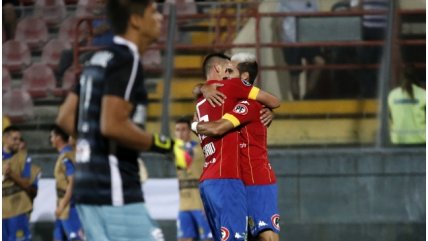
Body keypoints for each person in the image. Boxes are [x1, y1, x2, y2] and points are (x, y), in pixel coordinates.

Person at [55, 0, 177, 240]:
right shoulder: (127, 59)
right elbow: (113, 125)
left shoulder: (97, 58)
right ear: (135, 20)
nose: (161, 17)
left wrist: (92, 145)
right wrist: (166, 145)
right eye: (153, 11)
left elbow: (65, 116)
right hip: (115, 191)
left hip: (87, 190)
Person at [192, 53, 280, 241]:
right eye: (225, 69)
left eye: (230, 70)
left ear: (244, 78)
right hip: (235, 179)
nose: (225, 75)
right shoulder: (228, 100)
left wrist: (195, 123)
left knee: (266, 234)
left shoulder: (250, 104)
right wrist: (203, 88)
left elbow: (218, 127)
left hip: (256, 177)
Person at [174, 117, 212, 241]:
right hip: (183, 205)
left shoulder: (200, 149)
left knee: (208, 238)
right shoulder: (174, 150)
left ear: (189, 131)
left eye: (184, 129)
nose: (180, 133)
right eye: (177, 130)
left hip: (200, 204)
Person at [279, 0, 325, 100]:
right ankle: (297, 102)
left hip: (309, 40)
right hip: (291, 41)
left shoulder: (312, 1)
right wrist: (281, 41)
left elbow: (316, 19)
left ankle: (307, 96)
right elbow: (279, 21)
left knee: (320, 62)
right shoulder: (283, 2)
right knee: (295, 76)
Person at [49, 125, 84, 241]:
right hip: (63, 203)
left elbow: (72, 182)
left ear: (58, 138)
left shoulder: (67, 156)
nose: (51, 139)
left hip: (69, 206)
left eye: (52, 136)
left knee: (74, 237)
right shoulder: (66, 155)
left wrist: (63, 204)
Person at [350, 0, 388, 98]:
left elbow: (395, 10)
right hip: (367, 31)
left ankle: (378, 93)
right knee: (363, 63)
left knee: (382, 64)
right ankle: (370, 93)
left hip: (384, 31)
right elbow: (355, 10)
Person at [2, 126, 33, 241]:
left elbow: (27, 183)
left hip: (18, 208)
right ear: (5, 138)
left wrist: (11, 175)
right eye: (15, 139)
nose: (18, 142)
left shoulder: (24, 158)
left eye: (19, 139)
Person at [387, 65, 425, 145]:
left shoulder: (392, 95)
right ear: (417, 78)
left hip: (398, 141)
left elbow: (390, 118)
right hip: (421, 141)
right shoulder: (423, 95)